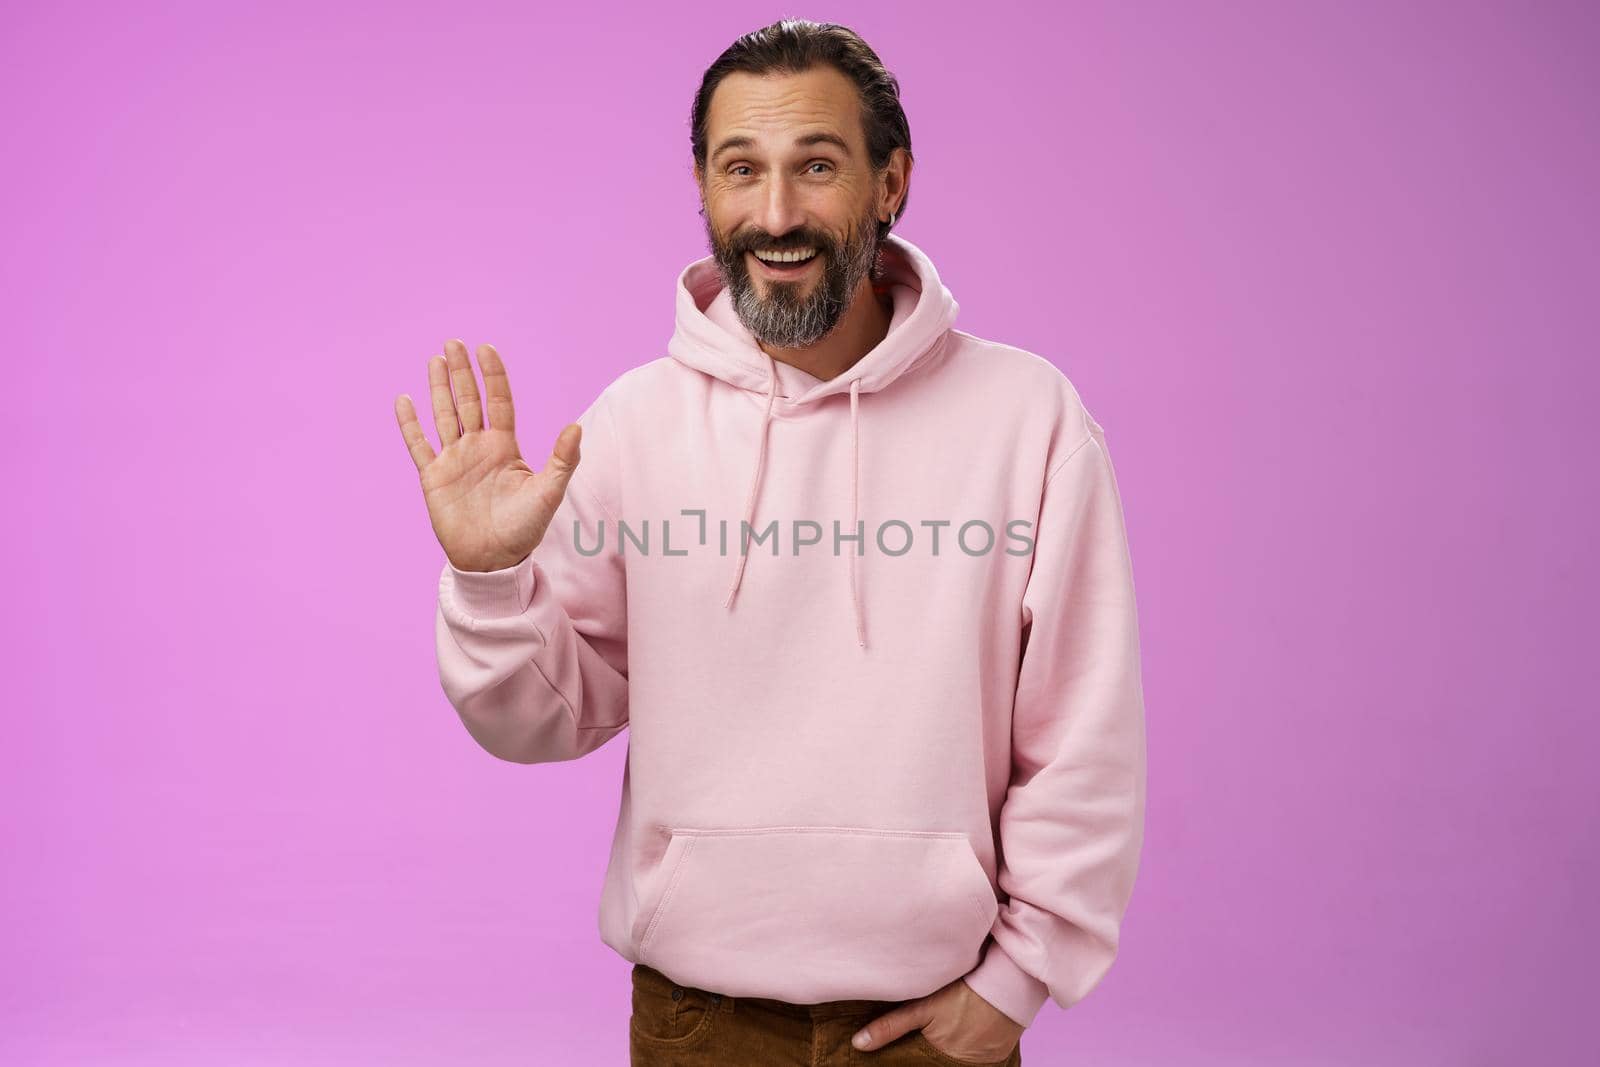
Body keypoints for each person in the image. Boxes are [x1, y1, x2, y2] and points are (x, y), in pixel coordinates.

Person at [394, 18, 1147, 1067]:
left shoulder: (1028, 417)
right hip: (697, 1020)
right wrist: (487, 576)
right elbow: (540, 722)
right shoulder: (633, 422)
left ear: (892, 183)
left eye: (819, 166)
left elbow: (1084, 731)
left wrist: (1018, 980)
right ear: (701, 188)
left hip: (936, 1024)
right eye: (740, 168)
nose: (777, 213)